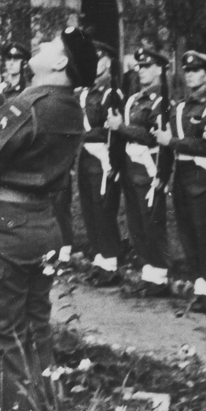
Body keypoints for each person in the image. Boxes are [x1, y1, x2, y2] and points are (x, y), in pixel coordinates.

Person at [0, 29, 95, 406]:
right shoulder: (64, 105)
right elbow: (5, 112)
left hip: (3, 229)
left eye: (50, 45)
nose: (40, 45)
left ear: (60, 62)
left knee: (2, 334)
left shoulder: (31, 106)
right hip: (40, 223)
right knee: (34, 328)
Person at [155, 50, 206, 311]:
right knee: (187, 232)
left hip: (202, 174)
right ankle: (201, 285)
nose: (190, 75)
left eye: (196, 71)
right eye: (187, 71)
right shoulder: (181, 106)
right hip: (182, 174)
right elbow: (169, 142)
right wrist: (162, 175)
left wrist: (172, 141)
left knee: (205, 233)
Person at [107, 44, 170, 297]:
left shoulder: (162, 101)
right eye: (139, 67)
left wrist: (122, 127)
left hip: (148, 167)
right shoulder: (133, 99)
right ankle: (148, 273)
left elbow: (152, 135)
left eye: (146, 66)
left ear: (160, 69)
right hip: (131, 167)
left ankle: (160, 275)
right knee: (136, 223)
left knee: (152, 221)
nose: (141, 70)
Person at [77, 41, 124, 286]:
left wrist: (81, 134)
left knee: (103, 208)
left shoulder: (111, 93)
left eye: (96, 59)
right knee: (89, 208)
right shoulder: (85, 92)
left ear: (107, 62)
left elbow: (110, 130)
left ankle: (111, 262)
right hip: (86, 156)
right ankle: (99, 258)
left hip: (103, 157)